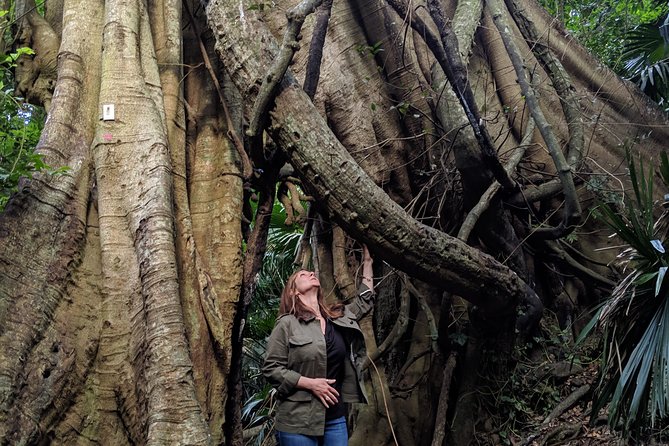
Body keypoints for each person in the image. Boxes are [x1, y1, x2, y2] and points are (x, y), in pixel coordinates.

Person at [262, 246, 374, 446]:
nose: (311, 273)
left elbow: (365, 299)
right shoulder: (287, 323)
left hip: (335, 418)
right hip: (297, 421)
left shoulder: (338, 318)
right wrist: (310, 383)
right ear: (294, 291)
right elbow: (271, 369)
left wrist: (368, 262)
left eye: (312, 272)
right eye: (304, 274)